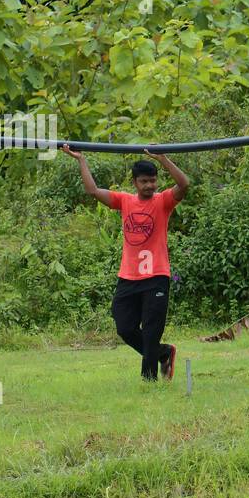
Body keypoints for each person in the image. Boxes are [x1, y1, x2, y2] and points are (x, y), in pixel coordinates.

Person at [61, 144, 190, 381]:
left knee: (151, 332)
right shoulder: (125, 201)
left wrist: (163, 159)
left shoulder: (163, 202)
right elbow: (92, 190)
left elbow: (184, 184)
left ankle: (148, 382)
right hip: (128, 277)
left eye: (153, 181)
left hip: (156, 277)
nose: (149, 186)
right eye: (144, 181)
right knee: (125, 327)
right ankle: (163, 353)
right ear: (134, 183)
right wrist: (81, 160)